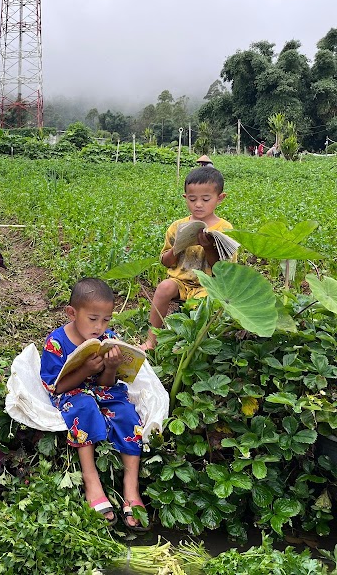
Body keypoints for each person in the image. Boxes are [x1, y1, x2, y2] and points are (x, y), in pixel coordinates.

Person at [40, 278, 147, 531]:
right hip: (73, 393)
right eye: (93, 319)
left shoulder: (108, 339)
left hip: (102, 390)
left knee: (126, 414)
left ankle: (131, 489)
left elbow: (107, 385)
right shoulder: (56, 343)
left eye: (106, 320)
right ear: (72, 313)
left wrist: (110, 367)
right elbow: (58, 387)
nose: (100, 327)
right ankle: (92, 481)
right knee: (84, 407)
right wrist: (84, 369)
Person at [142, 166, 232, 350]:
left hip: (210, 285)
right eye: (192, 199)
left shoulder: (225, 229)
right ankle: (151, 340)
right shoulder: (177, 226)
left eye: (206, 199)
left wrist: (208, 247)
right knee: (164, 287)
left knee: (200, 307)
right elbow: (165, 262)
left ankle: (193, 346)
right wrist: (177, 248)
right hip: (180, 281)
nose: (198, 204)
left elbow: (224, 270)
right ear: (185, 198)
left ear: (220, 198)